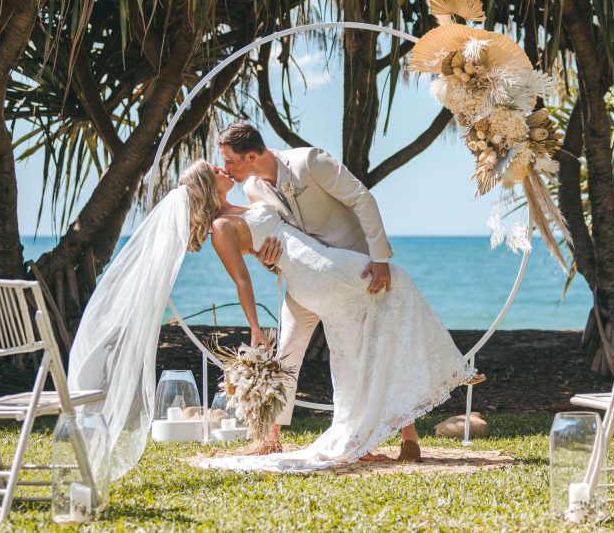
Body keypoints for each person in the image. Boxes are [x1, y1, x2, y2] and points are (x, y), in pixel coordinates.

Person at [184, 158, 482, 471]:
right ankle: (450, 367)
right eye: (214, 170)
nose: (223, 169)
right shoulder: (220, 227)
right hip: (316, 272)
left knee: (351, 351)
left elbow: (272, 236)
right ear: (205, 185)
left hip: (313, 270)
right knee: (396, 284)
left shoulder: (250, 195)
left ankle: (362, 434)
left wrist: (267, 256)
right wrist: (255, 328)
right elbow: (242, 280)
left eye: (222, 163)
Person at [216, 123, 425, 460]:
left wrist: (380, 258)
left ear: (251, 155)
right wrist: (268, 261)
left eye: (229, 162)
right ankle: (270, 436)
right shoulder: (253, 189)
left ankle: (408, 436)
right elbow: (274, 236)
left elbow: (361, 197)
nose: (225, 168)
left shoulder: (309, 161)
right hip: (306, 277)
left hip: (354, 267)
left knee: (377, 345)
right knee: (287, 346)